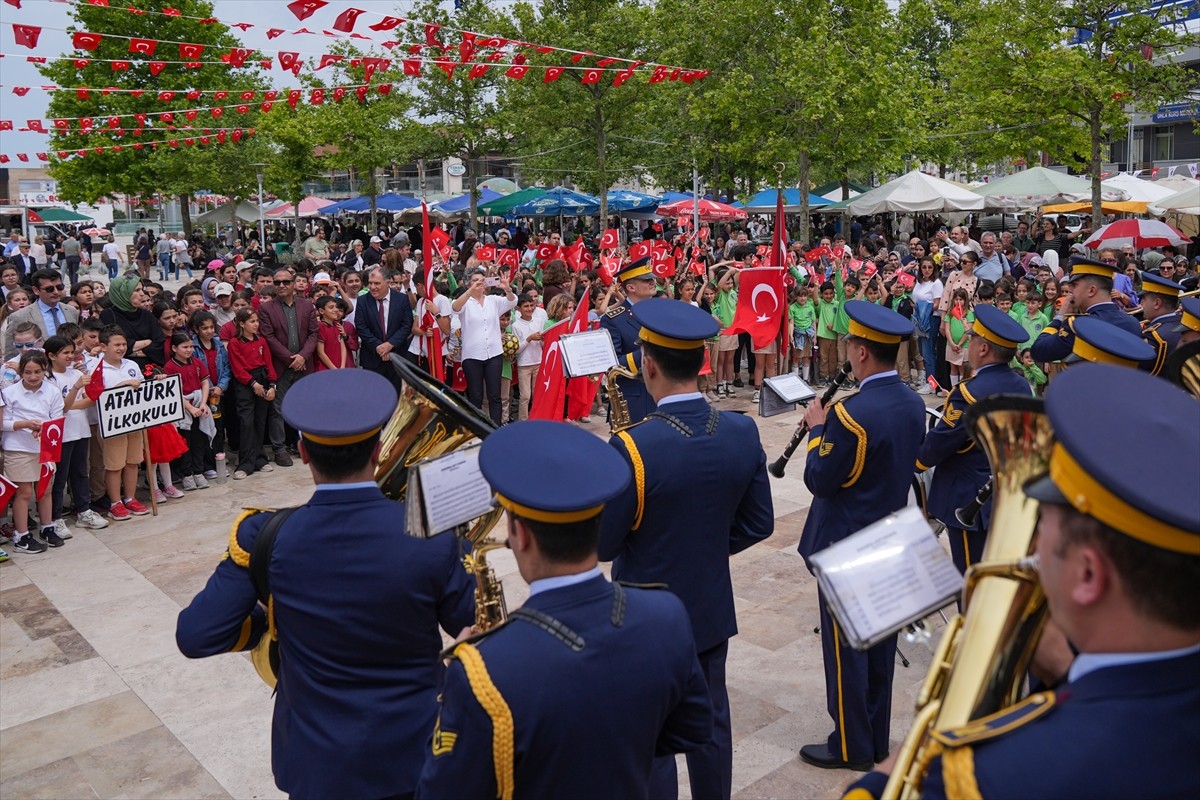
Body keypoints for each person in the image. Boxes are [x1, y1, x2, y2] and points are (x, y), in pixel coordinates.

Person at [847, 364, 1200, 800]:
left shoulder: (986, 777)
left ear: (1087, 574)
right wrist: (1069, 673)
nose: (1032, 543)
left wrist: (918, 753)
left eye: (1043, 523)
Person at [177, 369, 475, 800]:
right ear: (377, 451)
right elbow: (483, 631)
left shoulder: (262, 534)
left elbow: (198, 635)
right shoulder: (433, 534)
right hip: (416, 755)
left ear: (301, 452)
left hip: (317, 764)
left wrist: (267, 618)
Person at [416, 420, 714, 800]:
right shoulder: (666, 614)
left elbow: (440, 791)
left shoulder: (480, 670)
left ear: (520, 535)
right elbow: (690, 731)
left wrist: (449, 686)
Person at [599, 298, 774, 800]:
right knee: (711, 723)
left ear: (648, 365)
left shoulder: (633, 445)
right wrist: (706, 544)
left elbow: (608, 545)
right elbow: (759, 523)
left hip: (644, 612)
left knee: (654, 735)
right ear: (702, 362)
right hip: (708, 602)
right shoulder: (742, 431)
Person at [797, 300, 926, 771]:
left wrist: (816, 430)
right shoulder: (914, 402)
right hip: (891, 536)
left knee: (846, 651)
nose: (848, 350)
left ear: (863, 353)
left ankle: (850, 746)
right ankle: (874, 739)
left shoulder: (850, 415)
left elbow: (820, 479)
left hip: (847, 544)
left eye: (851, 343)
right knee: (879, 649)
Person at [915, 305, 1032, 574]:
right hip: (1006, 493)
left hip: (969, 497)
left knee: (971, 579)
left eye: (973, 339)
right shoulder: (1020, 384)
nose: (968, 344)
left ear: (983, 349)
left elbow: (942, 441)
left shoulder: (968, 393)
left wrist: (916, 461)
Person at [83, 326, 151, 522]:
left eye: (123, 344)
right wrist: (120, 387)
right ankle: (115, 502)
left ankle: (130, 497)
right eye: (116, 345)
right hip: (111, 425)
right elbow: (94, 395)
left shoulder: (131, 364)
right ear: (103, 346)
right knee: (114, 465)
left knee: (133, 462)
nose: (121, 348)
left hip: (134, 422)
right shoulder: (96, 368)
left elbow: (142, 388)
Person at [1, 350, 66, 552]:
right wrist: (25, 425)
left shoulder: (52, 391)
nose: (32, 376)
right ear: (21, 372)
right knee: (24, 492)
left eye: (37, 371)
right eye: (27, 372)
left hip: (45, 446)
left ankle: (47, 527)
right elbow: (3, 423)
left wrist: (43, 430)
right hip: (17, 447)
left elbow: (57, 419)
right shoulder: (10, 392)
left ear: (44, 369)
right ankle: (22, 536)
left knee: (45, 489)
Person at [258, 268, 319, 467]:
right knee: (277, 409)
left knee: (306, 407)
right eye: (277, 283)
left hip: (304, 365)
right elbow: (269, 337)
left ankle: (305, 445)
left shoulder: (307, 305)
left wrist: (303, 356)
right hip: (281, 366)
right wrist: (290, 358)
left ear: (294, 283)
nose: (281, 286)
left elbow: (313, 334)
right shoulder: (267, 308)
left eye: (285, 282)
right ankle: (280, 449)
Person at [1030, 257, 1142, 363]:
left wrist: (1059, 317)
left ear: (1091, 290)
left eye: (1074, 285)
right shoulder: (1132, 323)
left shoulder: (1078, 326)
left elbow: (1039, 351)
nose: (1070, 289)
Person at [451, 268, 517, 425]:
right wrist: (470, 291)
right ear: (468, 283)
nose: (479, 283)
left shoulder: (493, 300)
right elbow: (455, 307)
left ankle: (496, 427)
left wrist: (507, 288)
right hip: (472, 356)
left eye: (481, 280)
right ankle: (477, 429)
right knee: (476, 396)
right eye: (475, 280)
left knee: (495, 395)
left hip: (494, 354)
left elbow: (512, 301)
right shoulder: (465, 302)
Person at [599, 257, 658, 423]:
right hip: (635, 399)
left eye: (652, 278)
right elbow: (612, 364)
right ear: (631, 287)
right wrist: (649, 351)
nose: (653, 282)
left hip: (664, 395)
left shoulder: (660, 311)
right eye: (647, 280)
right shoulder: (613, 319)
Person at [225, 308, 276, 481]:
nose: (256, 325)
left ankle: (260, 459)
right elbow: (238, 369)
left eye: (256, 321)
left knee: (260, 421)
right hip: (245, 384)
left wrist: (272, 385)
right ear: (241, 324)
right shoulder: (235, 343)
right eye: (252, 321)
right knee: (247, 423)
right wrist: (253, 384)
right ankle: (245, 462)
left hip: (262, 378)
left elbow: (268, 363)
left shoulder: (261, 340)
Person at [355, 266, 413, 395]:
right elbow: (361, 327)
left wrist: (390, 344)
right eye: (370, 283)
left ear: (388, 283)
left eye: (377, 283)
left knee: (396, 396)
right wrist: (378, 347)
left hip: (397, 357)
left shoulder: (402, 299)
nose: (372, 287)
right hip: (372, 358)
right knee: (373, 397)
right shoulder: (362, 301)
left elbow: (407, 325)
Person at [1, 269, 79, 357]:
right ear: (36, 290)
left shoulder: (71, 311)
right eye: (49, 289)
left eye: (59, 287)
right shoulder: (19, 316)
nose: (56, 292)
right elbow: (11, 353)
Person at [1136, 272, 1184, 375]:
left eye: (1143, 299)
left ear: (1157, 303)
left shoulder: (1154, 335)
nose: (1141, 304)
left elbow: (1140, 371)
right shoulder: (1184, 326)